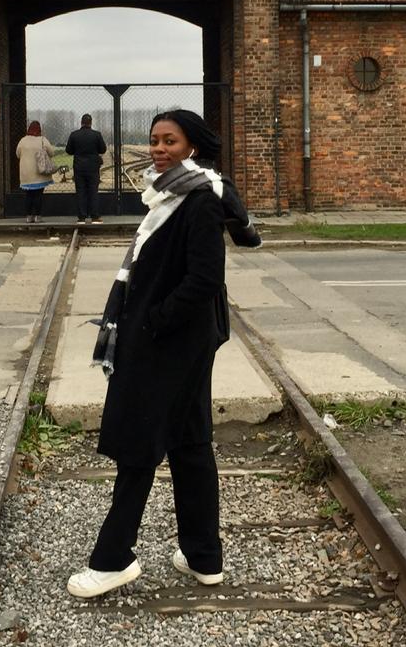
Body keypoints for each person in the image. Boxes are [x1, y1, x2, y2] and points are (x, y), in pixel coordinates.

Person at [67, 108, 262, 599]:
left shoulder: (196, 201)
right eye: (154, 140)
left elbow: (204, 280)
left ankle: (113, 559)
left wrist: (154, 321)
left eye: (169, 141)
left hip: (170, 341)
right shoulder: (172, 192)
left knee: (137, 441)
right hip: (186, 339)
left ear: (190, 146)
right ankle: (204, 556)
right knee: (189, 443)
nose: (158, 148)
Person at [65, 113, 107, 224]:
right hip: (93, 167)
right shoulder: (97, 135)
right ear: (91, 123)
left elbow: (68, 150)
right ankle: (95, 217)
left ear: (81, 122)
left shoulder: (74, 135)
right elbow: (103, 149)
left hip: (79, 167)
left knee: (81, 191)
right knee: (93, 191)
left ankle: (82, 217)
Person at [16, 120, 54, 223]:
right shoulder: (43, 140)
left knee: (28, 195)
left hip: (26, 174)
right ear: (39, 129)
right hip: (39, 173)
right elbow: (51, 153)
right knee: (38, 195)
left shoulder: (22, 141)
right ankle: (38, 216)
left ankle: (28, 216)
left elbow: (17, 154)